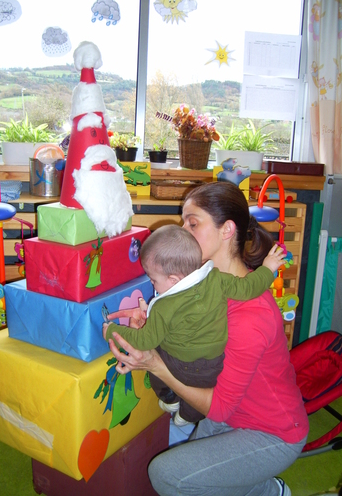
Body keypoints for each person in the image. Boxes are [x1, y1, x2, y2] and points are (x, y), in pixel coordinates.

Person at [106, 181, 309, 496]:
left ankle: (269, 490)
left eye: (193, 222)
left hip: (271, 432)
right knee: (173, 443)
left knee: (166, 474)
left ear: (226, 230)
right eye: (182, 220)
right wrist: (152, 324)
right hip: (232, 411)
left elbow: (220, 409)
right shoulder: (201, 284)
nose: (183, 230)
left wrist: (154, 365)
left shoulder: (250, 315)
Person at [103, 224, 284, 426]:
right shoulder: (216, 279)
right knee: (195, 401)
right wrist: (267, 269)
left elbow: (145, 340)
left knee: (156, 364)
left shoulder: (164, 306)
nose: (152, 285)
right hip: (212, 366)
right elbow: (250, 287)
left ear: (173, 280)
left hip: (177, 363)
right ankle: (188, 416)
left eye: (153, 280)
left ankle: (169, 399)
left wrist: (112, 331)